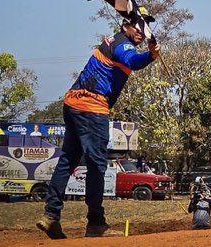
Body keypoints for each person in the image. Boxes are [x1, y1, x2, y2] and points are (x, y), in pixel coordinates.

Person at [36, 18, 159, 239]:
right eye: (137, 25)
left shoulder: (114, 41)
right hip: (92, 108)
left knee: (67, 160)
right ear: (125, 26)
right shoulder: (123, 44)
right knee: (96, 165)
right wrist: (150, 56)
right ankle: (96, 223)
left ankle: (51, 216)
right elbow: (132, 60)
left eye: (145, 26)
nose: (142, 30)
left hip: (72, 103)